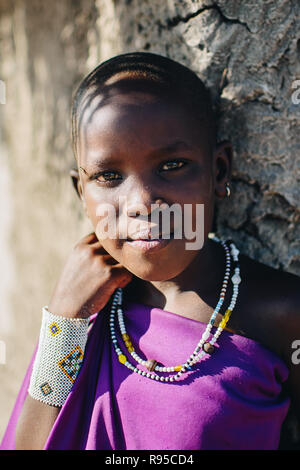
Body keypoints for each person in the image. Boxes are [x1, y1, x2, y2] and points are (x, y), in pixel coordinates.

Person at [1, 51, 299, 450]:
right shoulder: (83, 316)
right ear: (81, 193)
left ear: (219, 171)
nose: (141, 201)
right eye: (108, 175)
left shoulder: (280, 312)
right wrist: (64, 319)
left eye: (173, 165)